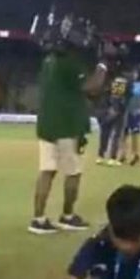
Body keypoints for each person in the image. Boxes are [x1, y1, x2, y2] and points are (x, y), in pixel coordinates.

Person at [28, 45, 108, 235]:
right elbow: (92, 88)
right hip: (67, 125)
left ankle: (38, 219)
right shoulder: (71, 63)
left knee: (46, 170)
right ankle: (67, 215)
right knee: (73, 172)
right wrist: (103, 66)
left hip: (47, 123)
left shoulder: (48, 61)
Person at [96, 67, 134, 167]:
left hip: (109, 110)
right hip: (120, 111)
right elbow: (128, 96)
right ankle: (112, 158)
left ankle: (100, 156)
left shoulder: (110, 79)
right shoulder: (128, 81)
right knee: (116, 135)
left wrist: (109, 107)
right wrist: (121, 108)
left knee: (105, 133)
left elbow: (105, 94)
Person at [122, 70, 140, 166]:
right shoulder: (123, 84)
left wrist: (139, 106)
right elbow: (117, 97)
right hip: (125, 112)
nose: (133, 75)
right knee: (123, 134)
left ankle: (135, 154)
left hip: (136, 113)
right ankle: (123, 154)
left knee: (135, 134)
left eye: (134, 74)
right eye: (131, 73)